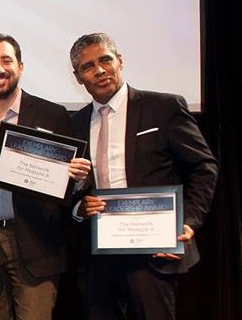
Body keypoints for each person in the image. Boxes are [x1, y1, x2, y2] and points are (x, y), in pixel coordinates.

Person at [68, 33, 218, 320]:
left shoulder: (164, 108)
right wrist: (79, 207)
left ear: (120, 61)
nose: (99, 70)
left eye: (105, 60)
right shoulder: (74, 124)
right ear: (78, 77)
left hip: (153, 252)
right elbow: (74, 188)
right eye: (88, 66)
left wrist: (188, 222)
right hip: (98, 258)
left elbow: (204, 168)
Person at [0, 34, 91, 320]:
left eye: (6, 60)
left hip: (35, 243)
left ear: (21, 67)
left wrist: (77, 178)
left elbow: (73, 182)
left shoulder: (53, 114)